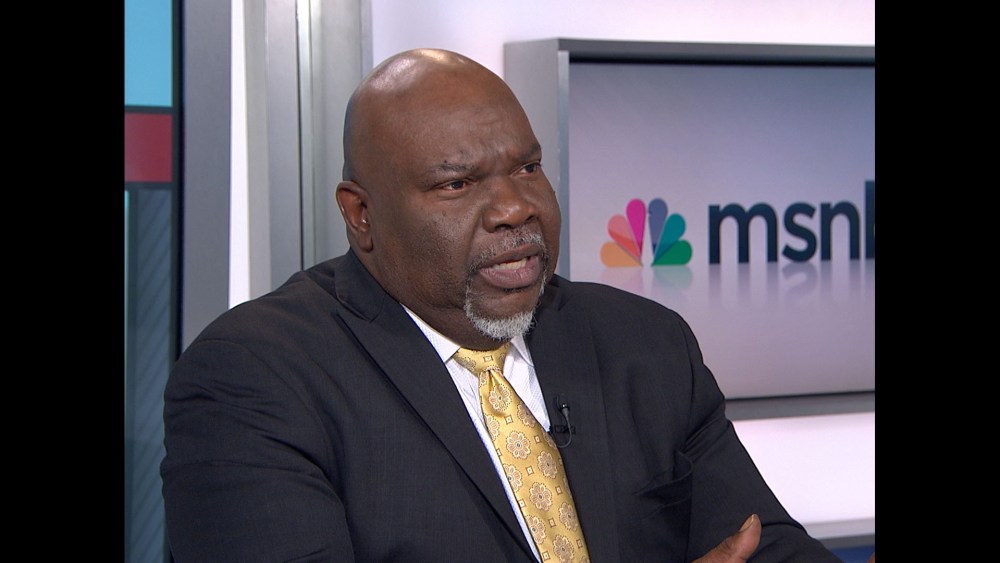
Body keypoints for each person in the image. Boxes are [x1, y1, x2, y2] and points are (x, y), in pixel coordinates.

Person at [161, 48, 848, 562]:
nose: (516, 207)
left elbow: (761, 546)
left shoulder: (643, 342)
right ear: (362, 215)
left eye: (528, 167)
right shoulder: (257, 378)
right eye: (457, 184)